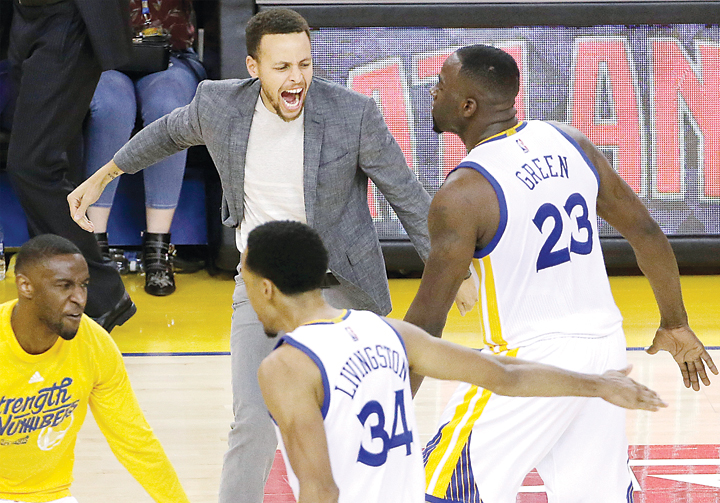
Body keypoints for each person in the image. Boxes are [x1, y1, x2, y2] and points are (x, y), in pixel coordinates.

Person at [66, 8, 478, 502]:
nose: (297, 78)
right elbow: (165, 134)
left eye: (304, 64)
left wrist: (455, 271)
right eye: (282, 67)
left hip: (341, 285)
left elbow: (406, 194)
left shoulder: (353, 113)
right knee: (253, 421)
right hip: (261, 288)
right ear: (253, 67)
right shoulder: (217, 105)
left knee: (351, 423)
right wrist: (101, 177)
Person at [403, 45, 718, 503]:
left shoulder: (463, 192)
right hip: (606, 351)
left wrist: (392, 402)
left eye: (441, 86)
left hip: (527, 363)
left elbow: (428, 322)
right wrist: (675, 322)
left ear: (467, 107)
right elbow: (647, 232)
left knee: (437, 487)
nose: (432, 92)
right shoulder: (568, 141)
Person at [241, 220, 665, 503]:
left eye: (242, 274)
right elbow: (504, 375)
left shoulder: (286, 368)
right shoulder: (390, 332)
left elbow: (319, 489)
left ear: (265, 288)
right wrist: (599, 384)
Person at [0, 234, 190, 503]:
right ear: (25, 287)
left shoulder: (95, 344)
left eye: (83, 285)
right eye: (64, 286)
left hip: (51, 495)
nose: (79, 298)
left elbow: (134, 440)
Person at [6, 0, 136, 332]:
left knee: (32, 164)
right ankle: (62, 294)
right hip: (26, 16)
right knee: (55, 158)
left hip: (71, 15)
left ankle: (104, 294)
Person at [84, 0, 206, 296]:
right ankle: (94, 243)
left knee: (168, 107)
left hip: (171, 54)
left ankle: (158, 245)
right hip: (100, 57)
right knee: (112, 106)